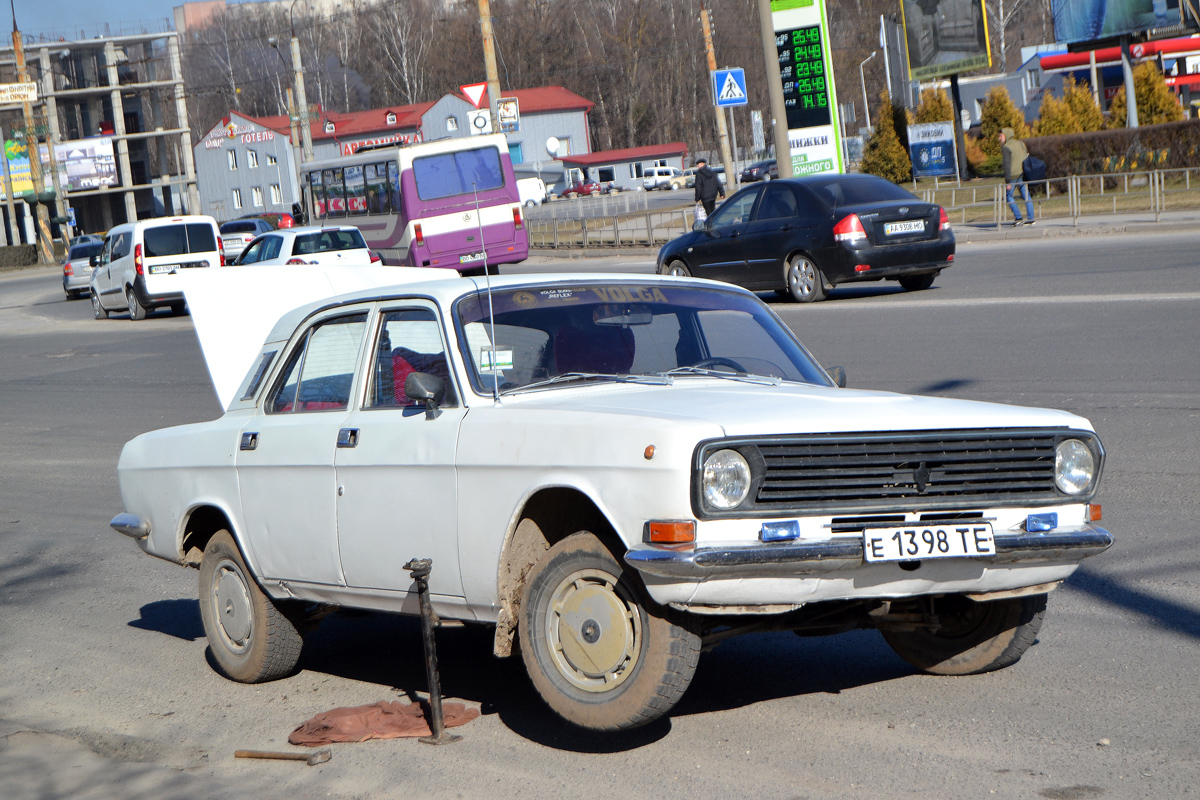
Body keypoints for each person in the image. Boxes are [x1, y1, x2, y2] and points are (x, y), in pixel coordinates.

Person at [1000, 127, 1034, 226]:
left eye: (1000, 136)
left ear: (1006, 135)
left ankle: (1018, 217)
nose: (999, 139)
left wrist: (1008, 181)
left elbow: (1006, 165)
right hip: (1022, 173)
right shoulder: (1020, 143)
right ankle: (1031, 218)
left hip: (1013, 176)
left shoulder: (1006, 147)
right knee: (1026, 196)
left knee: (1009, 196)